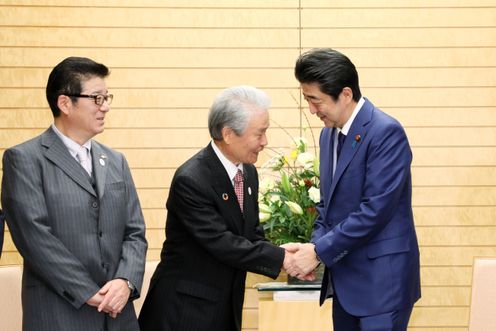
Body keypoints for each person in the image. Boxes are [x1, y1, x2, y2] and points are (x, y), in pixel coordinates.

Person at [1, 57, 147, 331]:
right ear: (65, 103)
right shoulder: (24, 160)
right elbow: (35, 239)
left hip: (119, 317)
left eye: (107, 97)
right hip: (59, 313)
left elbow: (135, 232)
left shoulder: (116, 161)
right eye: (97, 98)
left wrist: (125, 282)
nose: (106, 106)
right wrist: (88, 292)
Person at [284, 48, 421, 330]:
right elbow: (327, 206)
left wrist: (319, 252)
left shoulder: (385, 132)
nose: (311, 109)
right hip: (345, 285)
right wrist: (313, 247)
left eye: (315, 100)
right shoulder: (327, 135)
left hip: (382, 286)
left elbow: (375, 210)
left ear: (345, 94)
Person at [138, 86, 293, 331]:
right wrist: (284, 259)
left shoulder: (247, 172)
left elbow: (251, 235)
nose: (265, 142)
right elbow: (223, 243)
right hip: (185, 311)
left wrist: (286, 252)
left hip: (224, 306)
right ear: (228, 134)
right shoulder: (191, 179)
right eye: (259, 133)